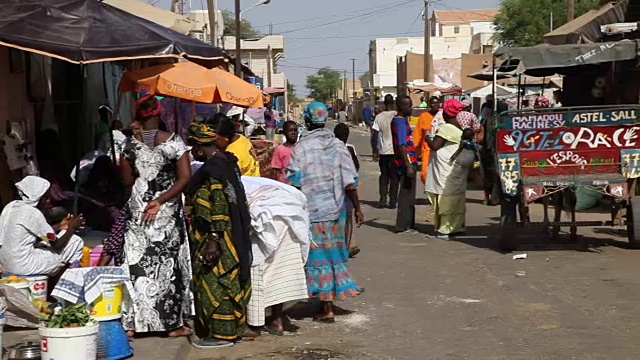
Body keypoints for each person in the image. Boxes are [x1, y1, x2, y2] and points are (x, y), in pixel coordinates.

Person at [119, 94, 192, 338]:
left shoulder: (128, 145)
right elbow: (184, 178)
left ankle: (135, 325)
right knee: (169, 268)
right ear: (159, 114)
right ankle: (172, 325)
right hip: (166, 213)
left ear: (139, 116)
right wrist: (160, 200)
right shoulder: (174, 142)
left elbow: (126, 181)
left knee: (137, 265)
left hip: (139, 211)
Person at [286, 101, 363, 322]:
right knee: (334, 255)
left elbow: (293, 182)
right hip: (336, 212)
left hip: (311, 214)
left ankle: (325, 305)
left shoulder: (300, 149)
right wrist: (357, 208)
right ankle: (328, 303)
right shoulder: (339, 146)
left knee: (316, 259)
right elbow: (350, 182)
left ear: (308, 121)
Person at [184, 121, 253, 349]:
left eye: (193, 147)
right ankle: (232, 330)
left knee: (218, 281)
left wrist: (213, 240)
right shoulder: (227, 162)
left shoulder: (213, 169)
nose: (193, 152)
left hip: (220, 236)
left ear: (201, 147)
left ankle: (223, 335)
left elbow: (220, 204)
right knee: (229, 281)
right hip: (235, 232)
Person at [242, 176, 310, 337]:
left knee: (258, 273)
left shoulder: (229, 182)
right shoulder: (254, 182)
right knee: (280, 274)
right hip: (291, 219)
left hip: (268, 219)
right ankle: (277, 320)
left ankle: (254, 325)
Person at [0, 176, 84, 276]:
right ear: (38, 197)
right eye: (46, 197)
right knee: (75, 241)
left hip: (6, 265)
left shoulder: (10, 207)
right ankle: (66, 283)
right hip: (23, 266)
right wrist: (71, 228)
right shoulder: (33, 213)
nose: (49, 201)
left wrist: (60, 227)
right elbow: (56, 244)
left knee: (55, 239)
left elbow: (38, 235)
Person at [424, 99, 476, 239]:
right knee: (457, 196)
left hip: (446, 169)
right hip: (456, 169)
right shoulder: (461, 126)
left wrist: (427, 137)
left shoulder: (446, 128)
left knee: (445, 197)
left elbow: (435, 146)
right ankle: (456, 226)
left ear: (446, 113)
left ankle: (444, 229)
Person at [391, 96, 418, 234]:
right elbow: (401, 144)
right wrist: (408, 165)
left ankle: (409, 223)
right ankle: (403, 225)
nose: (411, 108)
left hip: (403, 161)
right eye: (408, 105)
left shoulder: (398, 121)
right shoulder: (400, 123)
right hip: (406, 163)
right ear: (402, 107)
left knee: (409, 194)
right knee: (406, 195)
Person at [334, 123, 360, 258]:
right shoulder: (349, 148)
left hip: (336, 190)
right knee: (348, 219)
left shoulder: (331, 149)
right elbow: (356, 166)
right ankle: (348, 245)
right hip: (348, 188)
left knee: (339, 219)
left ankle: (343, 246)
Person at [371, 95, 399, 209]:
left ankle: (383, 199)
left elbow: (374, 135)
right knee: (395, 177)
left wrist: (375, 151)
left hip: (383, 151)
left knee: (384, 175)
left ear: (384, 103)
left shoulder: (379, 117)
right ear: (393, 103)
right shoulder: (396, 115)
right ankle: (393, 201)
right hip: (396, 151)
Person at [414, 96, 441, 185]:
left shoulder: (442, 115)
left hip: (440, 148)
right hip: (427, 149)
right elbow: (418, 134)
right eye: (433, 103)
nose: (435, 105)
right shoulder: (424, 116)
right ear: (429, 105)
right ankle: (429, 188)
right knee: (424, 172)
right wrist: (415, 150)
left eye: (437, 103)